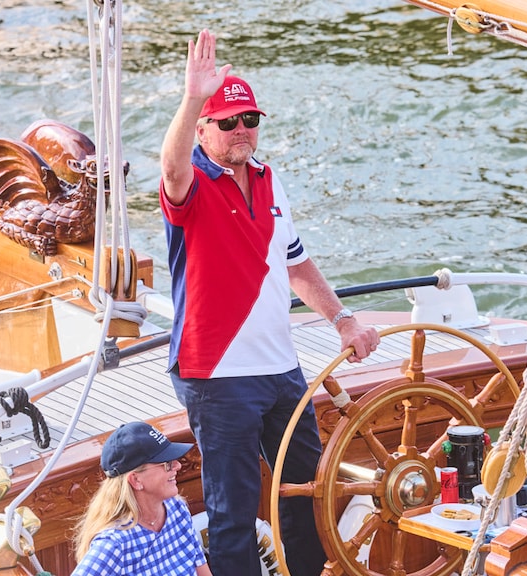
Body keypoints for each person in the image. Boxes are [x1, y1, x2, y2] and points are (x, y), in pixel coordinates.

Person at [157, 29, 380, 576]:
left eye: (249, 120)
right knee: (233, 512)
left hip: (281, 368)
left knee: (306, 491)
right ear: (204, 128)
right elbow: (171, 169)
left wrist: (344, 320)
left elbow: (297, 264)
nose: (241, 131)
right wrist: (191, 97)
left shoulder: (270, 181)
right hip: (217, 373)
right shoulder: (192, 186)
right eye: (227, 122)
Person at [72, 421, 211, 576]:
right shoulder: (113, 544)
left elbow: (201, 569)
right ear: (136, 480)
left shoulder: (177, 508)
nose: (177, 466)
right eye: (167, 464)